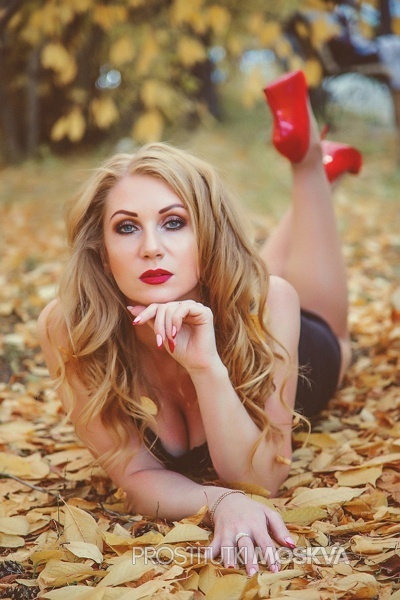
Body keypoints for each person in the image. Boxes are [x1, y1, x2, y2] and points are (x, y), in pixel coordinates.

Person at [38, 70, 362, 576]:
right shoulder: (71, 328)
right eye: (127, 227)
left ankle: (310, 165)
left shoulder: (271, 303)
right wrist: (218, 501)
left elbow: (262, 480)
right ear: (101, 253)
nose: (151, 247)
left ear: (206, 233)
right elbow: (135, 476)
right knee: (240, 276)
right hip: (225, 287)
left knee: (335, 337)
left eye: (174, 222)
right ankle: (320, 168)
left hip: (290, 338)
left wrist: (207, 367)